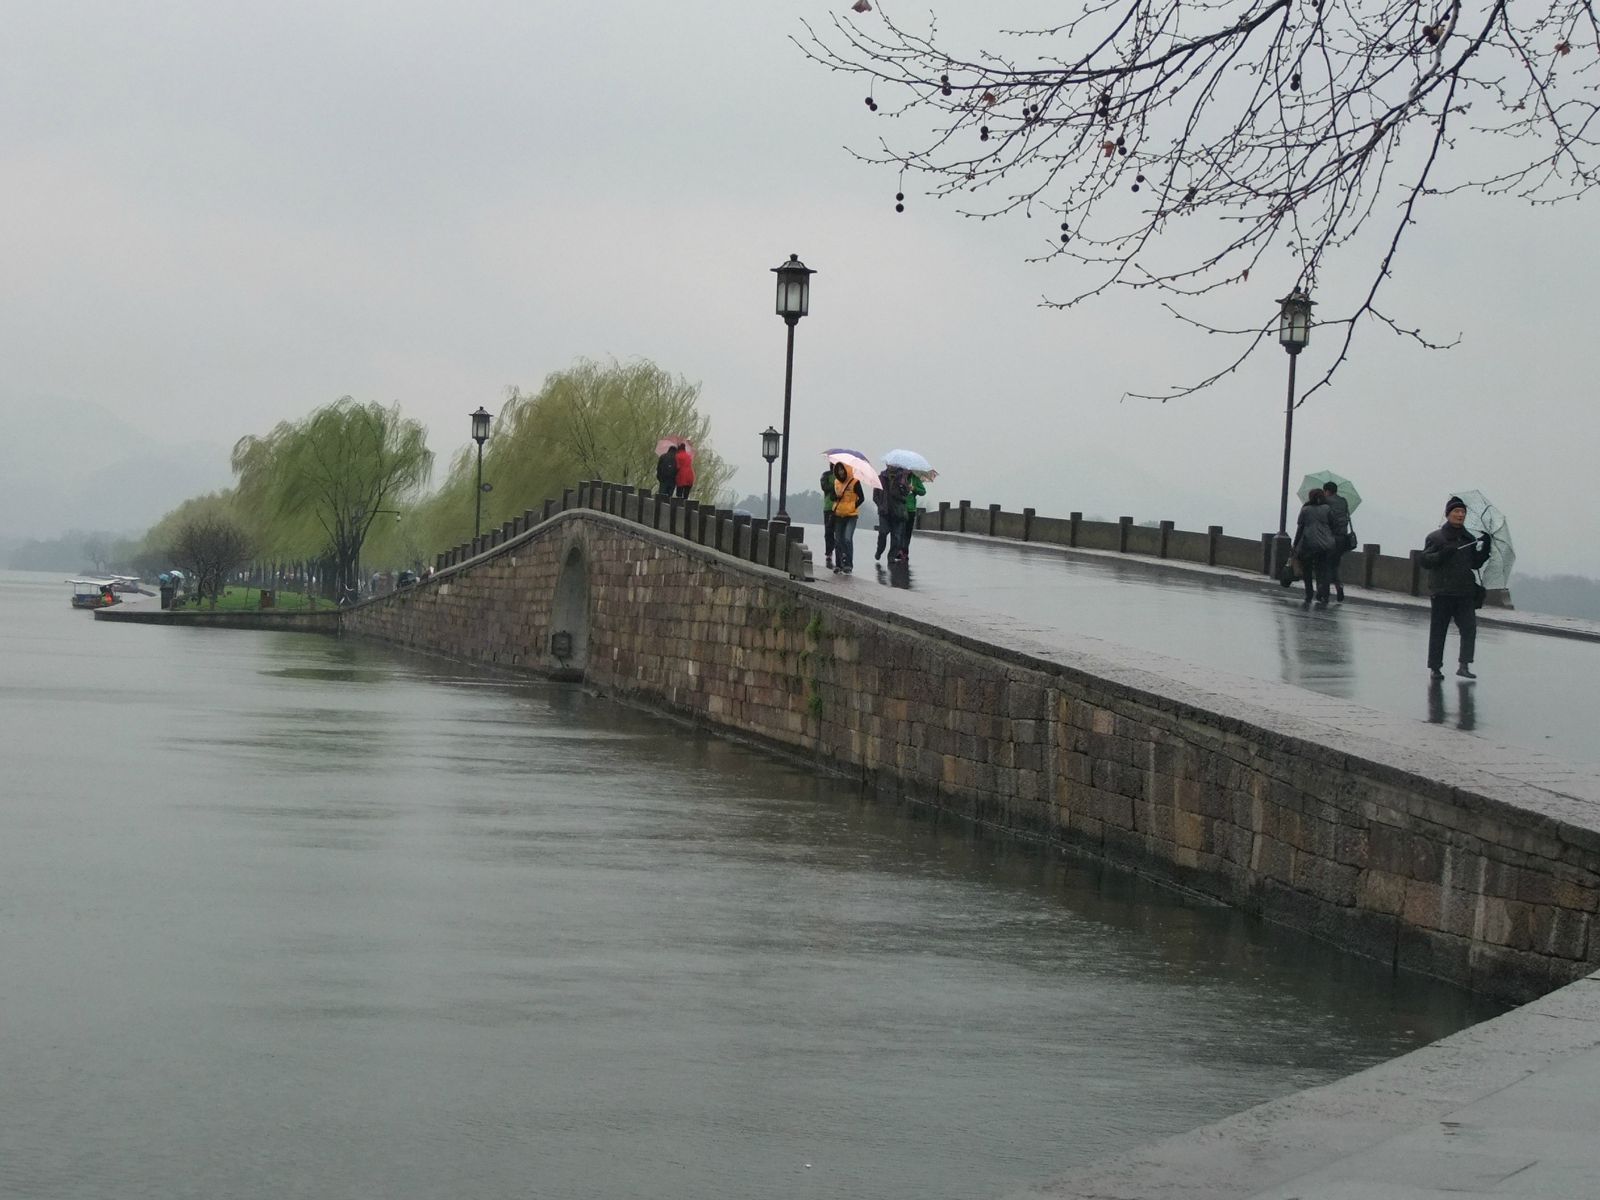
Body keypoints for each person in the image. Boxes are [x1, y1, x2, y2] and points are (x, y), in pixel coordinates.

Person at [1420, 495, 1493, 680]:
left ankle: (1464, 664)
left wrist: (1485, 548)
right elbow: (1425, 561)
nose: (1460, 515)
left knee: (1469, 629)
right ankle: (1435, 668)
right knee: (1439, 631)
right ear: (1448, 514)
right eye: (1456, 511)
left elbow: (1474, 564)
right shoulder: (1436, 537)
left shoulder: (1468, 538)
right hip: (1442, 591)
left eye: (1463, 512)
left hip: (1465, 592)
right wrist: (1443, 554)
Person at [1292, 488, 1337, 606]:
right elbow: (1333, 525)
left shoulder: (1305, 509)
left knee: (1307, 570)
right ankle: (1323, 592)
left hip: (1309, 543)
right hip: (1325, 544)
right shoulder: (1327, 509)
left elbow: (1300, 528)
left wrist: (1295, 544)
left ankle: (1309, 593)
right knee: (1323, 569)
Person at [830, 461, 864, 574]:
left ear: (846, 470)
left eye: (842, 470)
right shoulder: (836, 482)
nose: (840, 472)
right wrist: (836, 496)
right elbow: (831, 496)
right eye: (838, 470)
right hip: (839, 514)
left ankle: (848, 564)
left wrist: (853, 506)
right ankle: (839, 564)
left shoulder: (855, 482)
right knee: (838, 539)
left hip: (851, 515)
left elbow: (862, 498)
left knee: (847, 538)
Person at [1323, 480, 1352, 602]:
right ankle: (1339, 586)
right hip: (1343, 538)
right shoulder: (1343, 501)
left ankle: (1325, 592)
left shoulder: (1326, 502)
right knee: (1335, 564)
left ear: (1327, 491)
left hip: (1330, 537)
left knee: (1326, 565)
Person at [874, 466, 908, 562]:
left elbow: (905, 496)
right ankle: (879, 550)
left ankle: (891, 556)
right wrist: (880, 505)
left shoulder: (902, 478)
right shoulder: (881, 478)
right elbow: (875, 495)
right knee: (883, 533)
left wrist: (904, 488)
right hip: (884, 512)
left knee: (896, 537)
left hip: (897, 512)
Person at [899, 470, 926, 561]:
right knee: (900, 531)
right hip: (900, 508)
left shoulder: (915, 479)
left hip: (911, 509)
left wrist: (914, 488)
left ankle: (905, 552)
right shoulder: (899, 477)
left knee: (907, 532)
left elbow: (923, 491)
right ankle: (899, 550)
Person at [820, 465, 839, 569]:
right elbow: (824, 487)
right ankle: (829, 552)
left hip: (840, 507)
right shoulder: (826, 475)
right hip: (828, 507)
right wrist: (836, 485)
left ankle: (840, 552)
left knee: (839, 532)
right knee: (828, 531)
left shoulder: (843, 475)